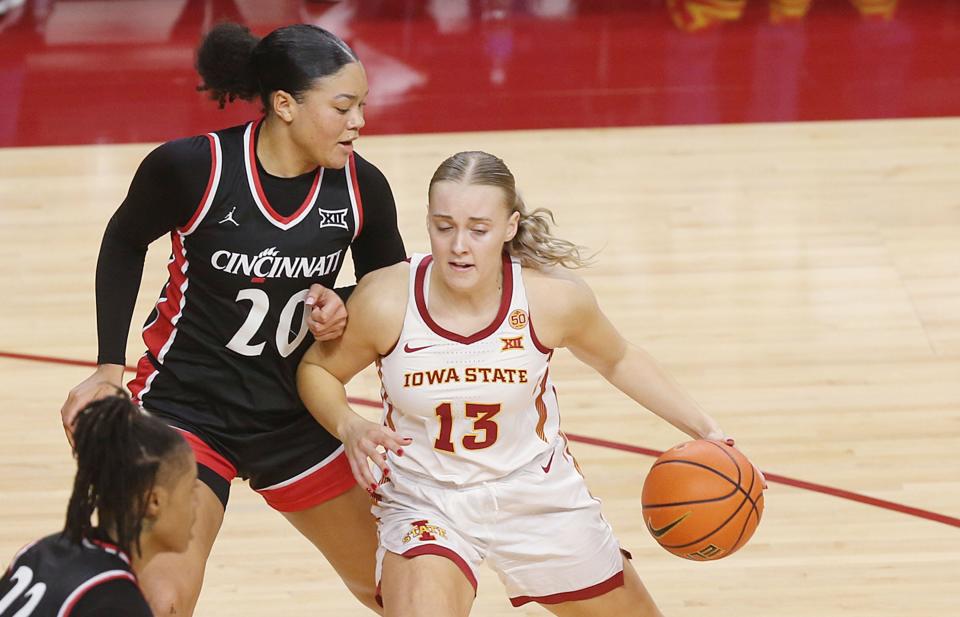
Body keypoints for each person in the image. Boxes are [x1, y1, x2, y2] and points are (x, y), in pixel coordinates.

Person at [297, 150, 743, 616]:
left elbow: (620, 359)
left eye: (478, 229)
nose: (459, 246)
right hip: (426, 500)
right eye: (443, 226)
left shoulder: (549, 300)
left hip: (536, 493)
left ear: (509, 227)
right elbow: (318, 370)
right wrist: (349, 425)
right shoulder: (387, 299)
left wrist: (706, 430)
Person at [58, 22, 406, 616]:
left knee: (398, 592)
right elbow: (122, 241)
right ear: (285, 105)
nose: (360, 123)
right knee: (161, 601)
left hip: (299, 416)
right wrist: (108, 367)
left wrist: (344, 296)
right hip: (187, 409)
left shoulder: (361, 186)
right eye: (344, 107)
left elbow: (391, 289)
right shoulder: (193, 167)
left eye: (363, 107)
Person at [1, 393, 198, 617]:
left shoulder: (39, 551)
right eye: (191, 491)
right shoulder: (114, 602)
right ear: (153, 502)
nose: (197, 506)